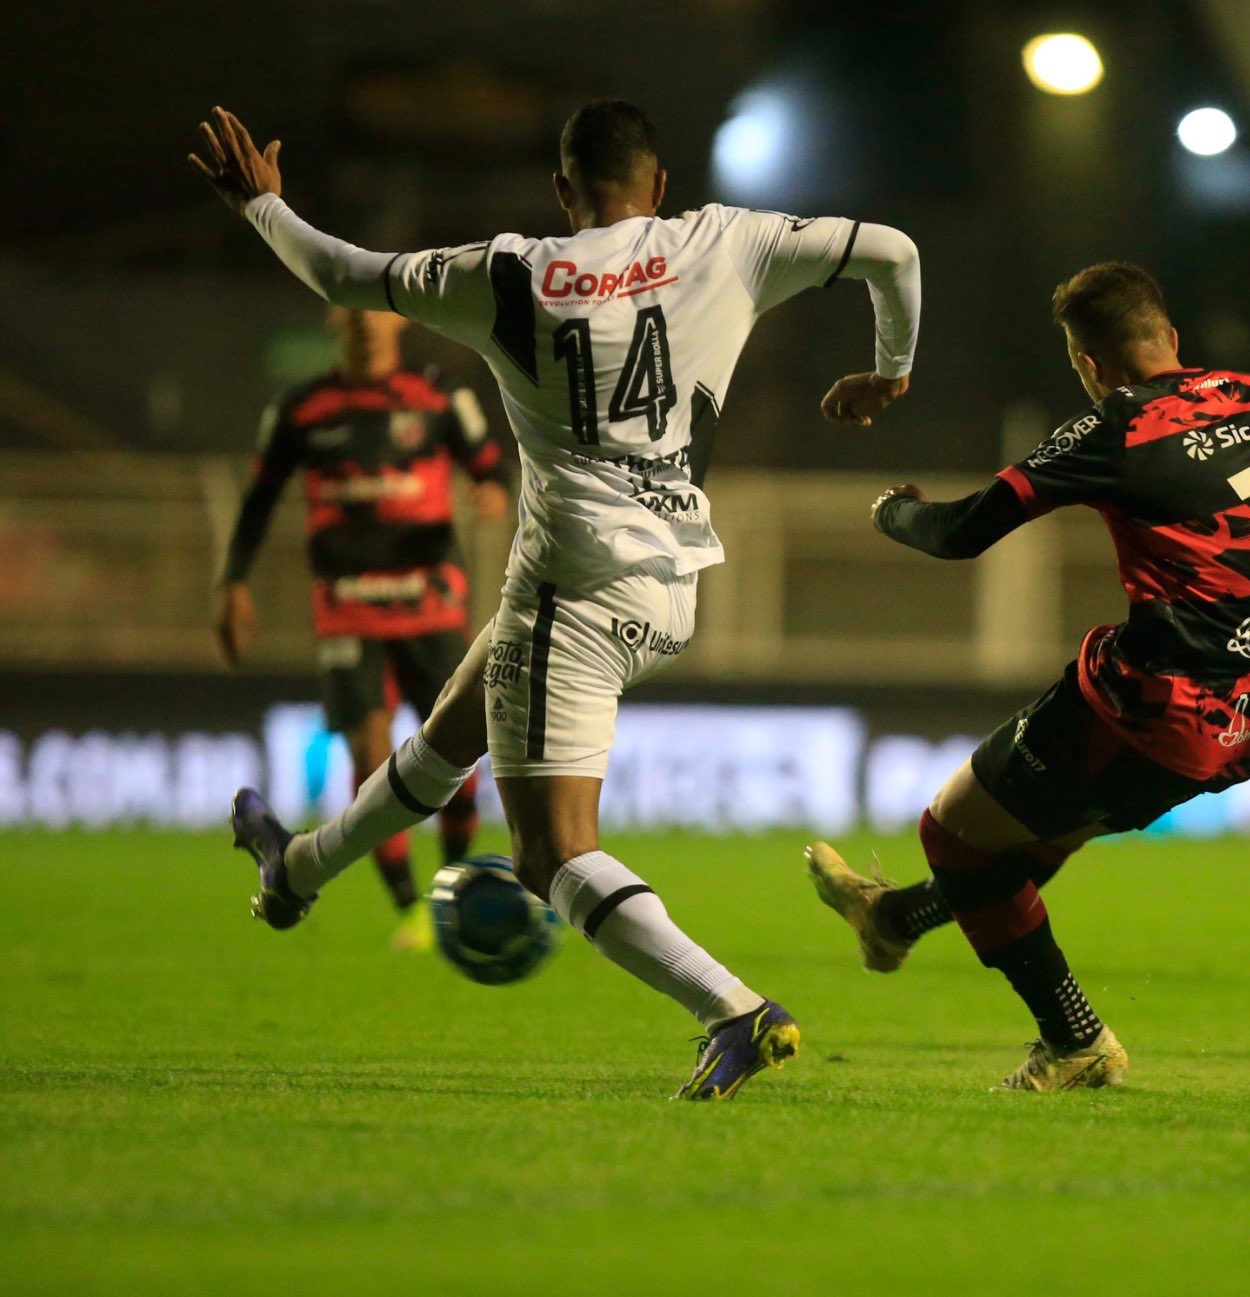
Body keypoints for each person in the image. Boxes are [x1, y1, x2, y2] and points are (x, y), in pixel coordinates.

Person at [190, 100, 920, 1098]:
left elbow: (339, 273)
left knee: (549, 853)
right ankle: (298, 869)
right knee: (448, 736)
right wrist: (888, 371)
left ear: (563, 190)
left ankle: (735, 1009)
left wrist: (263, 207)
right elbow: (891, 250)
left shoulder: (506, 273)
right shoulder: (728, 240)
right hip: (668, 586)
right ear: (659, 187)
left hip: (571, 593)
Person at [806, 262, 1250, 1093]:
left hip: (1150, 708)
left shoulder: (1118, 429)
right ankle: (895, 917)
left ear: (1089, 363)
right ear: (1171, 337)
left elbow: (960, 534)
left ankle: (1075, 1039)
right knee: (1036, 833)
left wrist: (891, 512)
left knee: (955, 832)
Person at [216, 306, 511, 946]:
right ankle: (411, 910)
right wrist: (233, 581)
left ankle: (452, 887)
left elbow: (492, 466)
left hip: (431, 606)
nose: (363, 321)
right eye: (348, 307)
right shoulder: (301, 408)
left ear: (400, 320)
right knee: (373, 762)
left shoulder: (439, 394)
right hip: (347, 608)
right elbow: (259, 496)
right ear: (330, 317)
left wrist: (491, 491)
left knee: (457, 758)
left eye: (375, 308)